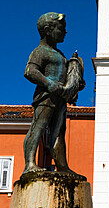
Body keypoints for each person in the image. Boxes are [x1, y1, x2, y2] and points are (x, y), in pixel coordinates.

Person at [23, 12, 84, 175]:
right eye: (61, 28)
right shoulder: (40, 51)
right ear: (48, 30)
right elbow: (30, 71)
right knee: (38, 127)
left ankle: (62, 167)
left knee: (58, 133)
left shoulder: (61, 55)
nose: (65, 32)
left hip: (61, 98)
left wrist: (76, 84)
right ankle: (29, 164)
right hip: (46, 97)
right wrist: (49, 84)